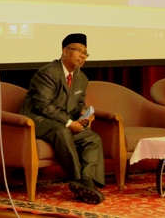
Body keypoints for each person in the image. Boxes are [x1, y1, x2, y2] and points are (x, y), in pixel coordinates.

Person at [20, 33, 105, 204]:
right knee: (62, 131)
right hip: (37, 119)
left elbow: (79, 102)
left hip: (62, 120)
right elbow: (43, 105)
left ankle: (87, 180)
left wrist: (82, 114)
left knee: (92, 138)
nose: (82, 56)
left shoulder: (81, 77)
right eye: (79, 50)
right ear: (65, 51)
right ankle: (77, 180)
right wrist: (68, 123)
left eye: (85, 53)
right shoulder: (48, 73)